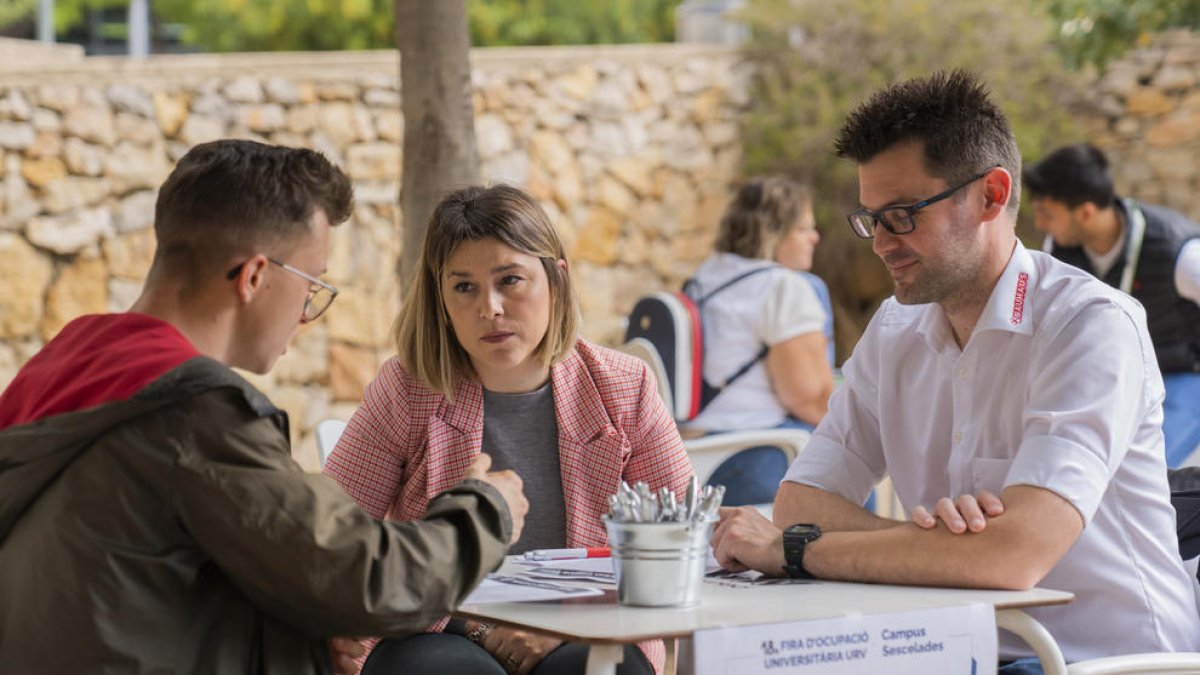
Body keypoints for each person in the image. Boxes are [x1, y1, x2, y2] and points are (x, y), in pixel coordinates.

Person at [709, 71, 1200, 671]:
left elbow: (1012, 557)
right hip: (955, 650)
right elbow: (801, 503)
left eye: (902, 214)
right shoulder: (893, 331)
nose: (880, 244)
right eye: (870, 219)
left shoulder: (1089, 325)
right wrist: (942, 547)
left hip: (1102, 660)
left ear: (992, 194)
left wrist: (796, 553)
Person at [0, 139, 529, 675]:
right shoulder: (193, 413)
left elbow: (140, 577)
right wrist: (487, 508)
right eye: (312, 284)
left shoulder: (65, 362)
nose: (306, 314)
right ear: (253, 276)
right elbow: (366, 579)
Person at [323, 184, 693, 675]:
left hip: (593, 627)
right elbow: (337, 538)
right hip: (443, 628)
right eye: (464, 287)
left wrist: (565, 627)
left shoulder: (625, 386)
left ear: (555, 279)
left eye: (510, 280)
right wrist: (480, 629)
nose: (490, 308)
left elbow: (680, 544)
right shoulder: (406, 390)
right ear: (441, 299)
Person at [1023, 143, 1200, 467]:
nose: (1041, 224)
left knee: (1143, 468)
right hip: (1110, 377)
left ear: (1086, 212)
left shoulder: (1181, 255)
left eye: (1048, 213)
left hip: (1182, 377)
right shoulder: (1060, 249)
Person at [685, 176, 834, 505]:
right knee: (854, 470)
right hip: (757, 457)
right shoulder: (783, 287)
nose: (815, 237)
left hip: (692, 459)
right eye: (803, 229)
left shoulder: (703, 278)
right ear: (774, 233)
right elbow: (811, 402)